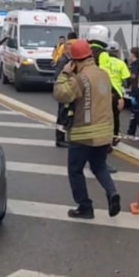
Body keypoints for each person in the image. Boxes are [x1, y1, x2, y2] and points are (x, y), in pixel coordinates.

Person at [53, 39, 121, 219]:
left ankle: (85, 207)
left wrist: (65, 74)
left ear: (74, 60)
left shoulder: (80, 79)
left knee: (75, 170)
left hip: (83, 133)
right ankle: (112, 192)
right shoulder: (103, 74)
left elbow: (60, 94)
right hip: (104, 132)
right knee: (99, 166)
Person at [85, 25, 123, 173]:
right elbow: (105, 76)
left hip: (86, 93)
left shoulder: (85, 51)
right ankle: (100, 163)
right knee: (103, 127)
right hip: (99, 95)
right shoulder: (103, 55)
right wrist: (117, 95)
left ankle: (86, 161)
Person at [52, 32, 79, 147]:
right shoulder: (63, 60)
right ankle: (60, 139)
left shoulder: (69, 60)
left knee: (67, 115)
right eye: (71, 49)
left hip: (67, 91)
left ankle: (64, 137)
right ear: (67, 49)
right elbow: (58, 75)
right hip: (64, 91)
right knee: (62, 116)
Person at [106, 41, 131, 146]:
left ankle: (104, 137)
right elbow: (127, 81)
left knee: (103, 116)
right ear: (117, 51)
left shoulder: (103, 63)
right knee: (115, 116)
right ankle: (114, 137)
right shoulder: (121, 64)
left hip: (103, 93)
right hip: (116, 95)